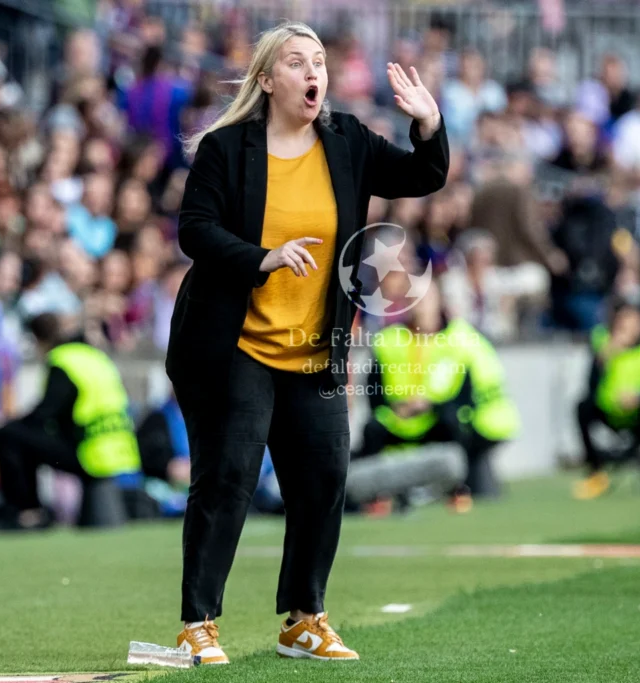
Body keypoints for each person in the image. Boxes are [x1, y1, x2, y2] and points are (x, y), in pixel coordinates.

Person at [165, 21, 448, 665]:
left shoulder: (347, 139)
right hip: (235, 345)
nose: (312, 71)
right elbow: (194, 230)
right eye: (297, 62)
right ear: (268, 80)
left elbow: (422, 175)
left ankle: (304, 619)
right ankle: (197, 623)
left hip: (314, 348)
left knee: (324, 477)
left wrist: (429, 123)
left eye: (318, 60)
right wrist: (262, 258)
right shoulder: (228, 148)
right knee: (228, 477)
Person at [355, 282, 520, 499]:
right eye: (413, 300)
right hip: (398, 419)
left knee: (454, 423)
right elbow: (373, 391)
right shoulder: (388, 340)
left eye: (424, 300)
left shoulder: (459, 339)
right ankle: (372, 496)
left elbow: (467, 394)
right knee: (372, 429)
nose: (419, 306)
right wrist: (399, 408)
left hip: (439, 419)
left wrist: (430, 405)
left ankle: (459, 490)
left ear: (439, 301)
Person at [0, 313, 142, 530]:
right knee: (23, 435)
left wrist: (8, 422)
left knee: (7, 435)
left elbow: (46, 413)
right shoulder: (94, 356)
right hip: (120, 450)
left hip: (90, 453)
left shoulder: (63, 360)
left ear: (39, 340)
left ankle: (27, 513)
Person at [573, 302, 640, 500]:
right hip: (611, 412)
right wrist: (601, 361)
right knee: (583, 407)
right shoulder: (603, 341)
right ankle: (596, 471)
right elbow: (591, 387)